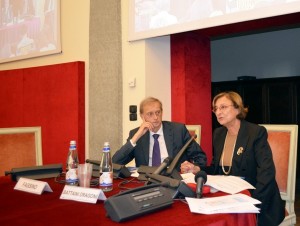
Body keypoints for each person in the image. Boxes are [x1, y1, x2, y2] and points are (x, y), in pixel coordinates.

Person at [181, 91, 285, 226]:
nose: (218, 112)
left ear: (237, 109)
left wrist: (254, 202)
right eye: (215, 109)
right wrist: (196, 168)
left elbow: (267, 172)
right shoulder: (219, 134)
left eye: (223, 107)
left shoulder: (255, 132)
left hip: (255, 196)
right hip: (228, 195)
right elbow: (217, 168)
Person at [112, 97, 207, 172]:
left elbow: (200, 158)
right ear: (142, 116)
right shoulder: (136, 134)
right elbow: (114, 162)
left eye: (158, 112)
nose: (156, 117)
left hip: (173, 180)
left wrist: (192, 167)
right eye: (150, 114)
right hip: (146, 181)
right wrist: (135, 138)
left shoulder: (178, 130)